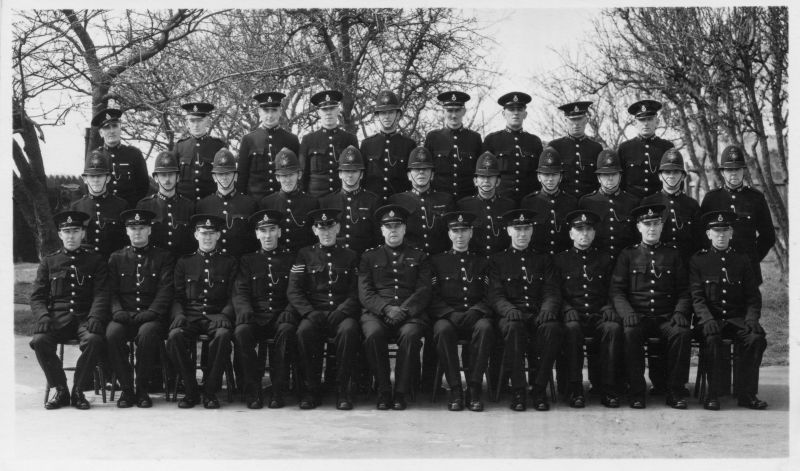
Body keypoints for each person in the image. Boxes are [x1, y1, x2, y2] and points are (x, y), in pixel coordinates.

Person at [610, 204, 692, 409]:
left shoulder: (672, 255)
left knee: (681, 333)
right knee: (629, 333)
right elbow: (616, 290)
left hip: (666, 317)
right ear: (639, 227)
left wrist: (680, 312)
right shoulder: (628, 255)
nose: (652, 229)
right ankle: (636, 392)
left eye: (656, 224)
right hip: (639, 317)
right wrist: (627, 313)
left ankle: (675, 391)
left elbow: (684, 290)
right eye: (647, 224)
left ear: (662, 226)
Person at [29, 211, 108, 410]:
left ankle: (79, 390)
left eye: (75, 231)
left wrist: (96, 316)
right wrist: (43, 316)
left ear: (83, 233)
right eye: (67, 231)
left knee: (94, 340)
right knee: (39, 341)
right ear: (60, 234)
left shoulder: (95, 261)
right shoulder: (49, 261)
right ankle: (61, 389)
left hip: (84, 318)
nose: (71, 236)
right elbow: (37, 296)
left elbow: (101, 293)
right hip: (57, 318)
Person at [690, 211, 767, 410]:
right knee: (712, 339)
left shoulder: (742, 260)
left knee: (755, 339)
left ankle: (747, 394)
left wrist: (751, 320)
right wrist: (706, 320)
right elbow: (697, 297)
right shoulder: (699, 260)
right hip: (709, 320)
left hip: (736, 319)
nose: (721, 235)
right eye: (716, 231)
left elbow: (753, 297)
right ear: (708, 234)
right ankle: (712, 394)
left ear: (731, 233)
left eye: (725, 231)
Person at [488, 209, 562, 412]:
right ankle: (518, 390)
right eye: (517, 229)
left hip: (538, 313)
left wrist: (548, 309)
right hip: (511, 316)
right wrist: (508, 309)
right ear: (509, 231)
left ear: (532, 231)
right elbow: (495, 294)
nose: (522, 234)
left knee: (553, 329)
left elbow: (552, 290)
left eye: (526, 229)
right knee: (513, 329)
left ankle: (539, 388)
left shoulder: (544, 259)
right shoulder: (497, 260)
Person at [358, 204, 431, 410]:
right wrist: (386, 309)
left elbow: (423, 290)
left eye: (397, 226)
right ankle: (383, 390)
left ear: (404, 229)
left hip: (410, 314)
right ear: (382, 230)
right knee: (372, 334)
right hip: (377, 313)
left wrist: (404, 310)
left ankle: (400, 392)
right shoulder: (369, 257)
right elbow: (365, 292)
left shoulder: (419, 256)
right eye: (388, 227)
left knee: (410, 335)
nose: (393, 231)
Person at [287, 209, 361, 410]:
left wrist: (343, 310)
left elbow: (357, 291)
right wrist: (308, 312)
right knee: (304, 331)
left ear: (338, 228)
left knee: (349, 331)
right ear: (314, 230)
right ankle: (311, 390)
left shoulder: (351, 255)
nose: (326, 232)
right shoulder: (305, 254)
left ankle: (343, 390)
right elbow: (294, 290)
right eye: (321, 228)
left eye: (330, 227)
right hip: (314, 312)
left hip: (341, 313)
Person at [167, 214, 238, 409]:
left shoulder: (229, 262)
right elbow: (177, 295)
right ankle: (190, 390)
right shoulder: (184, 262)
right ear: (196, 235)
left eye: (212, 233)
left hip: (217, 316)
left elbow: (234, 295)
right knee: (175, 336)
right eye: (203, 233)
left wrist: (225, 314)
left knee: (223, 335)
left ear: (218, 236)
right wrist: (179, 314)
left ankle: (210, 391)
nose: (207, 237)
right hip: (191, 315)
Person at [106, 209, 174, 408]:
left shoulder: (163, 257)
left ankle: (142, 389)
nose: (137, 232)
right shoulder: (116, 258)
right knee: (112, 334)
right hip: (124, 315)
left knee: (147, 333)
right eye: (133, 228)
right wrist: (117, 311)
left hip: (151, 316)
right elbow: (110, 290)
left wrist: (152, 312)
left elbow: (165, 290)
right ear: (127, 231)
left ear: (149, 230)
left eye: (142, 228)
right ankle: (127, 390)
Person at [554, 210, 623, 408]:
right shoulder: (560, 260)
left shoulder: (606, 259)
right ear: (571, 234)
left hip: (598, 313)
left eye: (589, 230)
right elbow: (554, 291)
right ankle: (574, 388)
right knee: (572, 329)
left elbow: (614, 288)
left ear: (594, 233)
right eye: (579, 230)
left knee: (613, 329)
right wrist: (566, 309)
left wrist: (609, 306)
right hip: (572, 314)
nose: (584, 234)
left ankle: (608, 388)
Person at [429, 211, 495, 411]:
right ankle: (455, 389)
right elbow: (431, 295)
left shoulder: (483, 262)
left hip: (475, 316)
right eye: (455, 231)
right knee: (442, 330)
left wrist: (477, 310)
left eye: (464, 230)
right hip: (448, 316)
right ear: (449, 234)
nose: (460, 235)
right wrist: (449, 313)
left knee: (485, 328)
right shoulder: (437, 262)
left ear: (471, 233)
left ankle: (474, 388)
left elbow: (490, 294)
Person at [233, 209, 298, 409]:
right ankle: (253, 390)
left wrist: (290, 310)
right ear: (257, 234)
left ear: (279, 232)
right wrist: (245, 311)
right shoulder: (247, 260)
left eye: (272, 230)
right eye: (263, 231)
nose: (267, 235)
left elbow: (298, 290)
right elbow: (241, 290)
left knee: (287, 331)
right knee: (242, 331)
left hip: (281, 315)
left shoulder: (292, 258)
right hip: (256, 315)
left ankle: (278, 390)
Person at [700, 145, 776, 286]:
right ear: (722, 172)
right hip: (717, 269)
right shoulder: (711, 199)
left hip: (748, 272)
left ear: (743, 171)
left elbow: (769, 236)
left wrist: (750, 259)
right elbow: (701, 234)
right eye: (729, 170)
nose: (733, 173)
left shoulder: (756, 198)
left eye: (737, 169)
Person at [388, 146, 454, 255]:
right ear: (409, 175)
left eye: (425, 169)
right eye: (416, 169)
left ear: (432, 175)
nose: (421, 172)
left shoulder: (446, 200)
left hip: (439, 258)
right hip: (409, 261)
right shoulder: (397, 201)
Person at [641, 149, 702, 262]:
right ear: (660, 176)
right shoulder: (649, 203)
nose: (671, 176)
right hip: (658, 263)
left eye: (676, 172)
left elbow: (699, 240)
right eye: (667, 172)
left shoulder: (692, 205)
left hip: (686, 262)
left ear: (683, 176)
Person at [237, 91, 300, 200]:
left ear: (280, 111)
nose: (270, 115)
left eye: (274, 110)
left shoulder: (291, 139)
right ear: (259, 112)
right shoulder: (248, 139)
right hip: (256, 201)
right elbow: (242, 176)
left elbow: (298, 173)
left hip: (283, 201)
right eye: (266, 111)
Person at [196, 148, 259, 257]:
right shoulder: (203, 205)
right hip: (214, 266)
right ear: (214, 177)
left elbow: (255, 240)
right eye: (220, 174)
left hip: (241, 264)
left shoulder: (250, 204)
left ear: (236, 176)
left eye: (228, 173)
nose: (224, 177)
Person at [578, 149, 641, 258]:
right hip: (596, 260)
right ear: (598, 178)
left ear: (620, 176)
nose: (610, 178)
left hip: (625, 260)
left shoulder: (632, 202)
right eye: (605, 174)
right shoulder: (587, 202)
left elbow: (637, 237)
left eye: (614, 174)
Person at [319, 146, 382, 254]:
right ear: (339, 174)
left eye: (354, 171)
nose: (350, 175)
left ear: (361, 174)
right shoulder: (327, 202)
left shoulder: (373, 201)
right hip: (337, 258)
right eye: (346, 171)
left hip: (363, 257)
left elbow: (378, 237)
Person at [482, 92, 543, 201]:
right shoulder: (492, 140)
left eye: (519, 109)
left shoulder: (534, 141)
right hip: (500, 200)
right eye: (511, 109)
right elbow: (484, 174)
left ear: (525, 114)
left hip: (529, 200)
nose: (516, 113)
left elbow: (540, 174)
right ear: (503, 114)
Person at [424, 91, 483, 200]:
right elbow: (427, 169)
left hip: (468, 199)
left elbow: (480, 172)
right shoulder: (433, 137)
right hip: (440, 199)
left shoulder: (474, 138)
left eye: (457, 110)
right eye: (450, 110)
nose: (454, 115)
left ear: (464, 111)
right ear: (443, 112)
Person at [70, 149, 129, 259]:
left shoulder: (121, 206)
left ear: (107, 178)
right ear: (85, 179)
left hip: (112, 265)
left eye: (100, 176)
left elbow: (126, 241)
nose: (96, 180)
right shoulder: (76, 207)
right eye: (92, 176)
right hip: (86, 264)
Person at [299, 90, 359, 197]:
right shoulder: (308, 140)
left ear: (338, 109)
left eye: (332, 108)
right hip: (316, 199)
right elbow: (303, 174)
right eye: (324, 109)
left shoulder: (350, 139)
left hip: (342, 198)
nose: (328, 113)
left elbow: (357, 172)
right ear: (319, 112)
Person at [259, 147, 319, 253]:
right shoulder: (267, 203)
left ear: (299, 175)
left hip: (303, 259)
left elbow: (314, 238)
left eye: (291, 174)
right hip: (278, 259)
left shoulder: (311, 203)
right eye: (283, 176)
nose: (287, 180)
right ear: (277, 177)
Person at [456, 151, 516, 256]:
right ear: (475, 181)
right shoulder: (463, 206)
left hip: (501, 262)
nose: (486, 181)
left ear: (498, 181)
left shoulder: (509, 206)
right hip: (475, 264)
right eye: (482, 177)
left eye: (491, 177)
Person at [136, 151, 197, 255]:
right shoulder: (144, 206)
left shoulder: (189, 206)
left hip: (181, 263)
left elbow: (193, 242)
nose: (167, 180)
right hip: (155, 264)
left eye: (171, 175)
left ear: (177, 177)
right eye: (163, 175)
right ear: (155, 178)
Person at [520, 147, 579, 255]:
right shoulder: (528, 202)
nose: (550, 179)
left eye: (554, 174)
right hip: (538, 260)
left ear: (560, 177)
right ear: (539, 177)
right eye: (546, 175)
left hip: (563, 259)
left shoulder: (571, 202)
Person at [360, 90, 416, 199]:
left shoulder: (409, 145)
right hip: (373, 202)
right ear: (377, 116)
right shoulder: (367, 144)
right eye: (383, 113)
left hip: (401, 202)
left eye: (391, 112)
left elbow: (413, 179)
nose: (387, 116)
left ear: (398, 114)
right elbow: (361, 178)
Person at [90, 108, 149, 208]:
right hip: (105, 211)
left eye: (114, 126)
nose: (112, 131)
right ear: (101, 133)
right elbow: (89, 186)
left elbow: (143, 186)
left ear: (120, 128)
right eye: (107, 127)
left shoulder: (134, 154)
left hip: (129, 211)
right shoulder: (94, 157)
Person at [618, 99, 675, 199]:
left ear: (656, 122)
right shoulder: (624, 148)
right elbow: (619, 180)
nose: (646, 123)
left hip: (659, 203)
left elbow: (676, 179)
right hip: (632, 204)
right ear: (635, 123)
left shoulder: (667, 148)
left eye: (649, 119)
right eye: (642, 120)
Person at [546, 101, 602, 199]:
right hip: (563, 201)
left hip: (589, 201)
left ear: (586, 120)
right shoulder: (555, 146)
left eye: (580, 119)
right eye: (572, 120)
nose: (576, 124)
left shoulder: (596, 148)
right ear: (566, 121)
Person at [173, 102, 228, 201]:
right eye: (192, 121)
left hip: (211, 203)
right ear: (187, 123)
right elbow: (173, 177)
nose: (196, 125)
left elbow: (226, 177)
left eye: (200, 121)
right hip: (184, 204)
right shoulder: (179, 147)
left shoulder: (218, 146)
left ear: (207, 122)